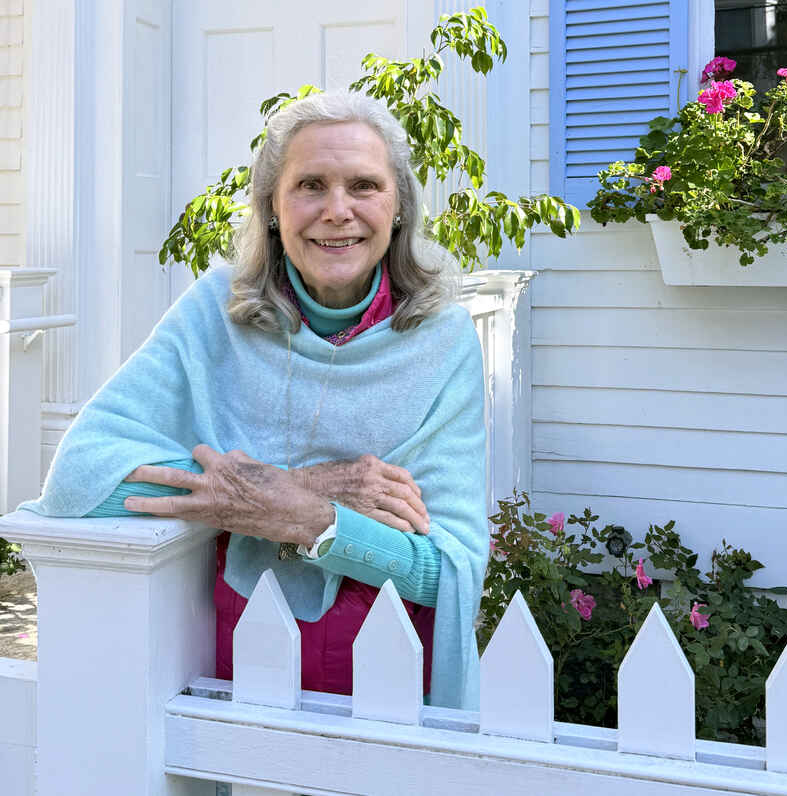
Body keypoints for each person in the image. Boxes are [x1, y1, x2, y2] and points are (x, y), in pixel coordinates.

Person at [19, 89, 488, 710]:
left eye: (364, 186)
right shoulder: (216, 310)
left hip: (388, 686)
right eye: (311, 185)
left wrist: (311, 520)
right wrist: (295, 487)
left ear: (399, 206)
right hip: (232, 671)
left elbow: (445, 569)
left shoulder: (443, 340)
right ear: (271, 206)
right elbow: (79, 482)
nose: (338, 210)